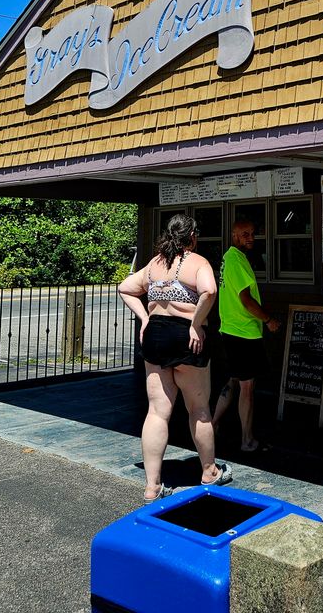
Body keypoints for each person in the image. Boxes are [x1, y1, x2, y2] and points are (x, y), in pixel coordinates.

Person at [118, 213, 232, 502]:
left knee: (157, 411)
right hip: (186, 337)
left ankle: (152, 486)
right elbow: (209, 291)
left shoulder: (155, 264)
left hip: (155, 336)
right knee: (199, 409)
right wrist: (195, 324)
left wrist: (146, 318)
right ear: (192, 236)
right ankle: (210, 471)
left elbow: (125, 288)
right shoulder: (198, 262)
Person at [212, 219, 280, 453]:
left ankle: (213, 425)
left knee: (233, 380)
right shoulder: (235, 260)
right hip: (243, 332)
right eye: (245, 234)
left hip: (230, 329)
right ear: (234, 235)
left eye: (252, 233)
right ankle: (247, 440)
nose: (250, 238)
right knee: (247, 387)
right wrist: (268, 320)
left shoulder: (230, 258)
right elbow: (246, 300)